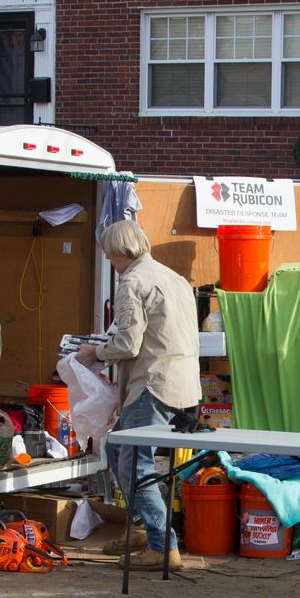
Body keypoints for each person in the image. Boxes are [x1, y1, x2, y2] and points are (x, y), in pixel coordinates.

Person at [75, 220, 201, 571]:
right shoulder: (173, 278)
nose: (109, 261)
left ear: (116, 252)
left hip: (154, 381)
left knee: (131, 461)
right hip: (183, 382)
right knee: (120, 450)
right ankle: (144, 529)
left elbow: (128, 344)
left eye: (108, 255)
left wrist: (94, 353)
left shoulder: (132, 281)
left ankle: (162, 544)